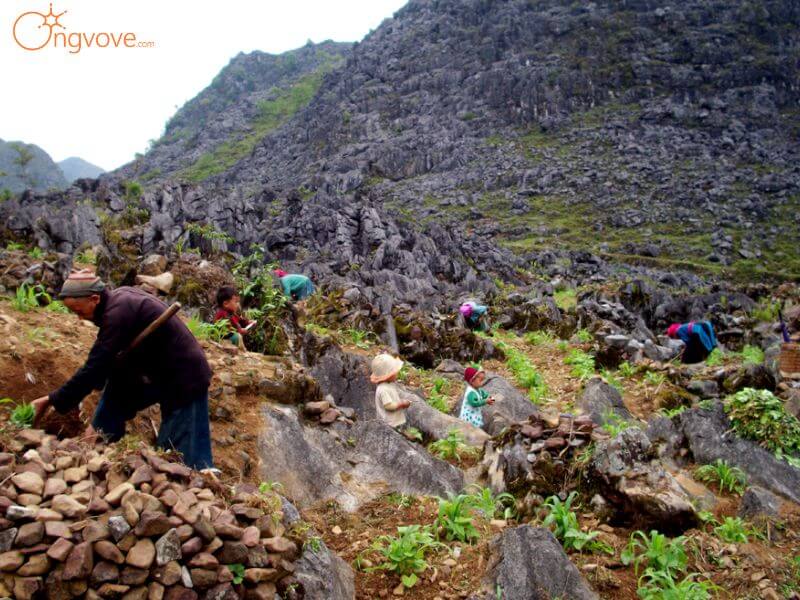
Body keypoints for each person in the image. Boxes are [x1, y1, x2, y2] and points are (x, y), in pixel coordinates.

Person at [31, 272, 216, 471]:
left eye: (79, 311)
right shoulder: (117, 304)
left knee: (178, 454)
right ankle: (99, 441)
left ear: (94, 299)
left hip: (185, 375)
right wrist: (98, 423)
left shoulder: (118, 313)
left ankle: (198, 488)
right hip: (154, 371)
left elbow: (95, 367)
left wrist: (52, 399)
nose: (79, 318)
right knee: (118, 393)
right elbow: (108, 368)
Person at [370, 353, 411, 429]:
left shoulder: (389, 385)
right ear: (388, 375)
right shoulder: (383, 389)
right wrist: (401, 404)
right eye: (394, 373)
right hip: (389, 424)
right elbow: (388, 406)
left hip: (394, 421)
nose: (397, 374)